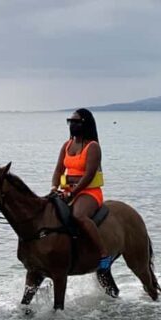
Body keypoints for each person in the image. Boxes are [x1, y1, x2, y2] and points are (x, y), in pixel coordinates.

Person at [49, 108, 112, 272]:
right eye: (70, 121)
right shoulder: (66, 145)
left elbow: (89, 175)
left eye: (76, 122)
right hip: (67, 191)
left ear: (85, 124)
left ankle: (103, 253)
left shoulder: (93, 147)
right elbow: (58, 170)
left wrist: (73, 192)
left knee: (79, 215)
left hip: (88, 192)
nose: (72, 125)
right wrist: (54, 188)